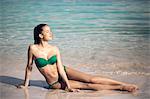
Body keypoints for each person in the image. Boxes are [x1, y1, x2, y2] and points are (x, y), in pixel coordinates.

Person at [17, 24, 138, 92]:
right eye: (48, 32)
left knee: (92, 79)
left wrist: (68, 85)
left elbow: (59, 68)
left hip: (63, 71)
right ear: (40, 35)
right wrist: (26, 85)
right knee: (86, 86)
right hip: (54, 82)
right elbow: (29, 67)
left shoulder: (55, 49)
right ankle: (121, 88)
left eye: (50, 31)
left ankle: (123, 83)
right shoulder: (32, 48)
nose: (51, 33)